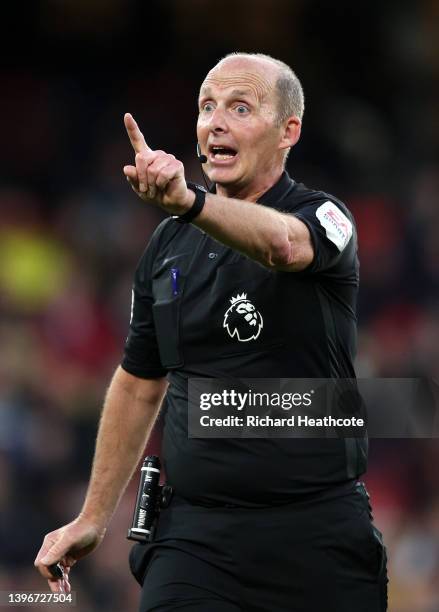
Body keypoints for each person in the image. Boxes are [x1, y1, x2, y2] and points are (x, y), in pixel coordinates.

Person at [35, 52, 388, 611]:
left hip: (316, 534)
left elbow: (283, 245)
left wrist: (189, 202)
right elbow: (139, 381)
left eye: (240, 107)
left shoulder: (324, 217)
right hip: (196, 540)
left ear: (287, 131)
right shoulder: (166, 248)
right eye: (207, 107)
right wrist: (94, 515)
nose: (216, 121)